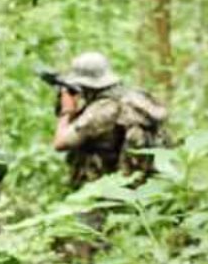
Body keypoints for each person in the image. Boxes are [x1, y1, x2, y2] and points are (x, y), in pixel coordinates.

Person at [52, 51, 169, 190]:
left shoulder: (101, 110)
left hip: (106, 186)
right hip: (140, 180)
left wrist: (66, 110)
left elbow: (60, 143)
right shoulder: (133, 97)